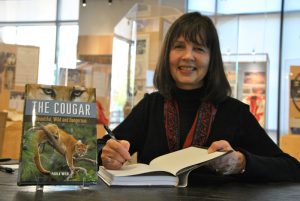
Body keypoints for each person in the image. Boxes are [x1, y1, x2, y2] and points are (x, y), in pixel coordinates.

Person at [100, 12, 300, 182]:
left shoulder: (235, 112)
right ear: (167, 55)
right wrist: (107, 153)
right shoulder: (151, 105)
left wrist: (241, 162)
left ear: (211, 59)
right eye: (179, 46)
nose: (188, 56)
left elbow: (291, 168)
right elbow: (102, 147)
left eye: (199, 48)